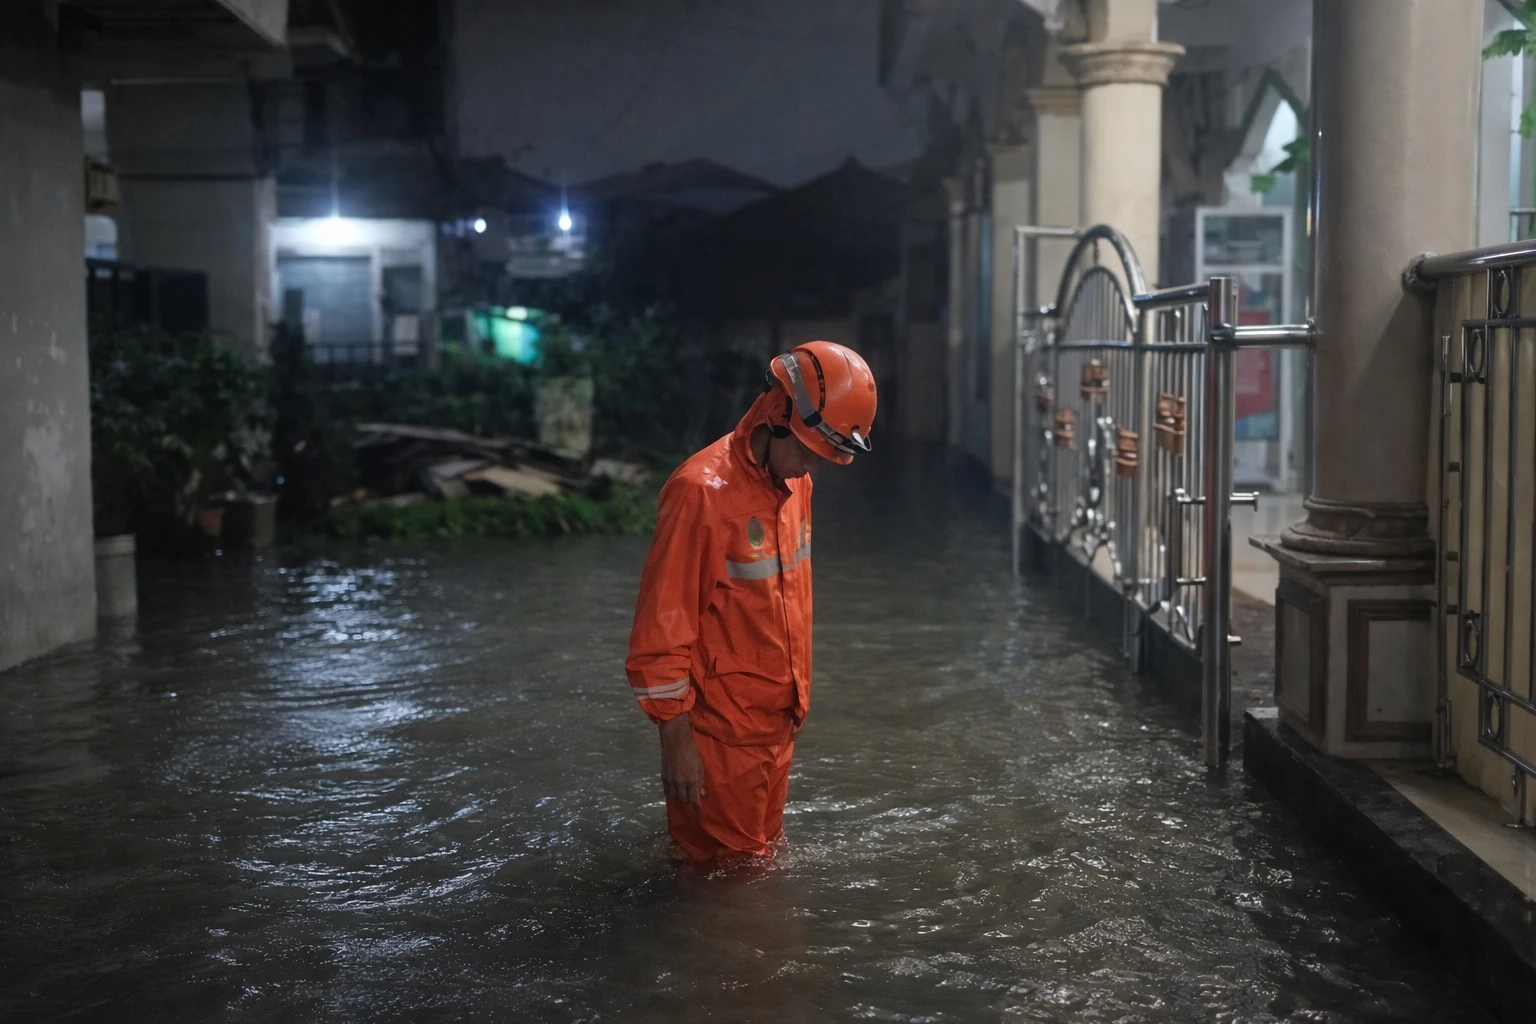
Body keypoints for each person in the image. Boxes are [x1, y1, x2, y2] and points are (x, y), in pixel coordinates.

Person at [625, 340, 878, 864]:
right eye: (809, 450)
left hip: (775, 723)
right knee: (729, 898)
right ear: (776, 413)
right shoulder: (701, 493)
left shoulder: (795, 481)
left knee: (753, 871)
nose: (812, 467)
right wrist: (677, 742)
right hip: (721, 739)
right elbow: (661, 632)